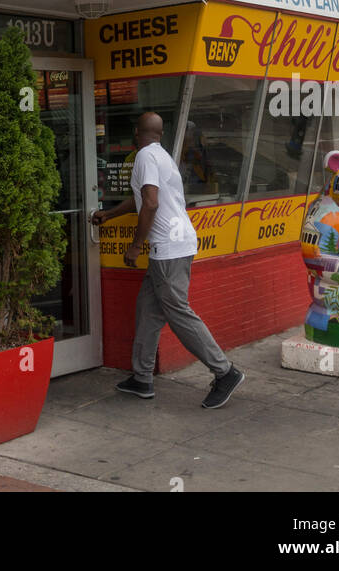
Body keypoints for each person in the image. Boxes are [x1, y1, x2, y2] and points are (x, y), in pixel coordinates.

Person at [92, 111, 245, 409]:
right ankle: (142, 377)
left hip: (169, 248)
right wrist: (109, 214)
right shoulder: (161, 156)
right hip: (177, 243)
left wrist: (136, 246)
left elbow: (150, 202)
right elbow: (142, 198)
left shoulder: (145, 157)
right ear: (159, 134)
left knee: (178, 313)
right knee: (148, 311)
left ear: (138, 133)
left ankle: (225, 372)